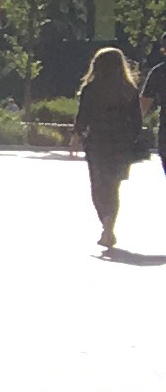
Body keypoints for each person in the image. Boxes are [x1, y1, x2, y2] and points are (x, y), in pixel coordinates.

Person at [74, 45, 144, 252]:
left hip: (97, 142)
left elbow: (83, 114)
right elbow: (137, 120)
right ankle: (109, 225)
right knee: (113, 186)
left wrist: (76, 135)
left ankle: (105, 225)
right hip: (122, 144)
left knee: (98, 185)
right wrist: (132, 140)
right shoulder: (129, 90)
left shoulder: (91, 89)